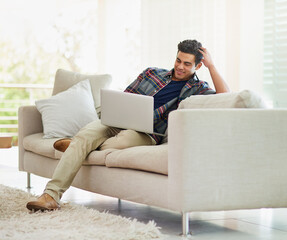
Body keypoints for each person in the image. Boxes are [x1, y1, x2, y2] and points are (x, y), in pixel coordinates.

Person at [26, 39, 230, 211]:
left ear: (198, 66)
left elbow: (226, 97)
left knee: (107, 143)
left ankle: (77, 146)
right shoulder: (151, 73)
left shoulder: (196, 87)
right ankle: (51, 196)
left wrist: (212, 66)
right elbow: (124, 97)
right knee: (87, 134)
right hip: (118, 121)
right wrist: (117, 112)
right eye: (178, 60)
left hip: (148, 134)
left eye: (187, 64)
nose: (180, 66)